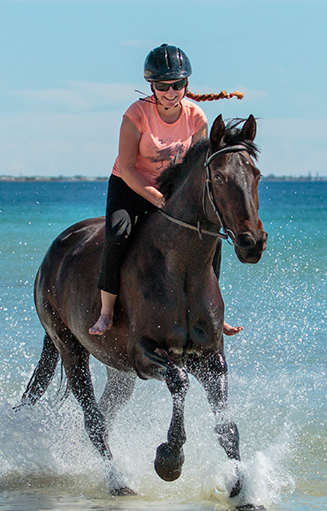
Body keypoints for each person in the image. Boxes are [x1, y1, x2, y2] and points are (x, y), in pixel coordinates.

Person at [89, 43, 243, 337]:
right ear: (152, 85)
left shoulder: (197, 116)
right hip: (130, 185)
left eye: (177, 85)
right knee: (118, 233)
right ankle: (106, 311)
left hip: (173, 189)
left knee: (211, 235)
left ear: (186, 83)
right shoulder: (135, 115)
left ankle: (212, 310)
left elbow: (196, 167)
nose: (171, 93)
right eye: (163, 86)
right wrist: (159, 200)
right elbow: (128, 168)